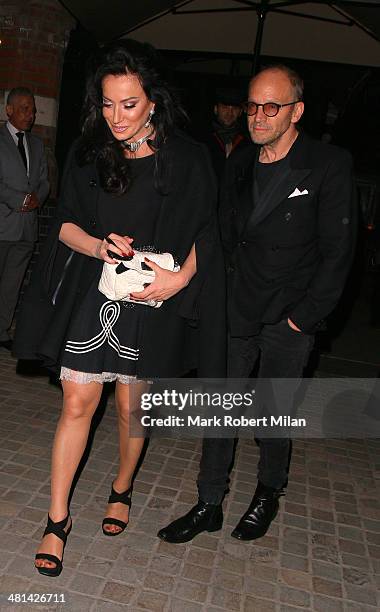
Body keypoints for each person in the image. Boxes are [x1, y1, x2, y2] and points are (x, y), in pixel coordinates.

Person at [13, 39, 225, 576]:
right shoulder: (89, 151)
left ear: (152, 101)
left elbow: (209, 228)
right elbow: (64, 222)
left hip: (152, 298)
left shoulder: (188, 158)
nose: (116, 117)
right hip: (97, 294)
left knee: (132, 411)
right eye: (107, 104)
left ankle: (122, 486)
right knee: (77, 404)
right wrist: (97, 244)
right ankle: (56, 521)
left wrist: (180, 281)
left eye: (128, 104)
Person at [158, 65, 356, 544]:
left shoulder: (327, 163)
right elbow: (221, 235)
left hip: (289, 314)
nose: (258, 115)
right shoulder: (240, 161)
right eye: (253, 106)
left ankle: (267, 493)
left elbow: (338, 251)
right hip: (237, 308)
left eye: (272, 107)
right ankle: (209, 503)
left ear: (297, 111)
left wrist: (302, 319)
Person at [0, 87, 49, 350]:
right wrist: (19, 200)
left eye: (32, 109)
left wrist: (37, 198)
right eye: (24, 108)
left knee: (12, 284)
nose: (30, 114)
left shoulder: (37, 144)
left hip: (26, 228)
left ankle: (2, 330)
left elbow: (43, 181)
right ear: (9, 110)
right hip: (3, 224)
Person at [202, 88, 251, 182]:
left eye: (235, 108)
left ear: (240, 112)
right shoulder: (202, 138)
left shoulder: (249, 141)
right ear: (216, 109)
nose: (229, 113)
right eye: (225, 107)